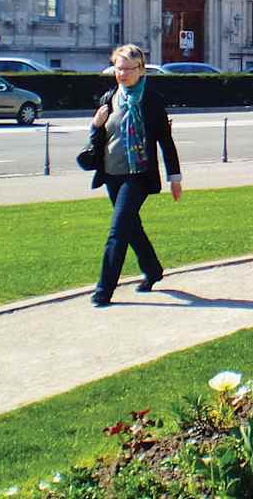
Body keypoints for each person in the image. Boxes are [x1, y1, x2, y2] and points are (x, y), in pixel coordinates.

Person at [87, 44, 183, 308]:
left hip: (139, 175)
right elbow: (100, 139)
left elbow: (165, 140)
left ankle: (103, 291)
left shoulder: (150, 100)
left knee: (117, 231)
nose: (123, 74)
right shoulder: (109, 99)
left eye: (129, 69)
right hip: (112, 174)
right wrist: (95, 125)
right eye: (119, 69)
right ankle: (152, 270)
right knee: (131, 228)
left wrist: (175, 177)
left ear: (141, 70)